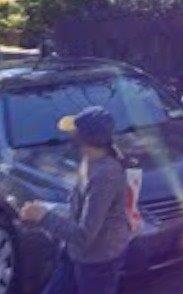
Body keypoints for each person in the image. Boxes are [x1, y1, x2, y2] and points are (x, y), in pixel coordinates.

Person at [20, 106, 134, 294]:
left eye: (73, 132)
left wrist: (44, 217)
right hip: (75, 254)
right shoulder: (89, 160)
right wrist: (50, 209)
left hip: (97, 263)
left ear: (84, 138)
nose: (69, 137)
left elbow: (84, 236)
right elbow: (79, 208)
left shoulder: (105, 176)